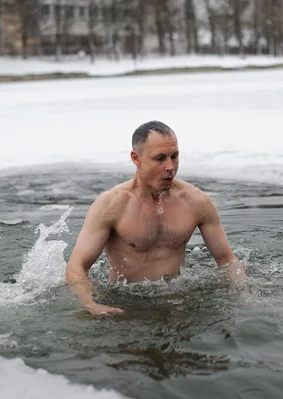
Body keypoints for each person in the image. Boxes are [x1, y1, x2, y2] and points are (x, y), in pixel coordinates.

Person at [65, 121, 246, 315]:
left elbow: (227, 259)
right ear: (136, 158)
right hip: (126, 302)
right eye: (160, 159)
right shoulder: (112, 205)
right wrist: (91, 304)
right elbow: (76, 267)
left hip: (177, 299)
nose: (170, 167)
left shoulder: (196, 202)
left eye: (174, 156)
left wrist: (245, 295)